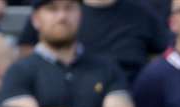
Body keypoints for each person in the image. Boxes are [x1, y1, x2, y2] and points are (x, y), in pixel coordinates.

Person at [0, 0, 134, 107]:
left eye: (69, 8)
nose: (62, 16)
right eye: (52, 9)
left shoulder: (106, 68)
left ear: (80, 14)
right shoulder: (19, 71)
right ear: (35, 19)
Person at [17, 0, 168, 86]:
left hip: (129, 98)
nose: (63, 15)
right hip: (66, 92)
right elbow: (27, 52)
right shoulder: (60, 10)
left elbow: (167, 55)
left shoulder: (141, 13)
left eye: (70, 9)